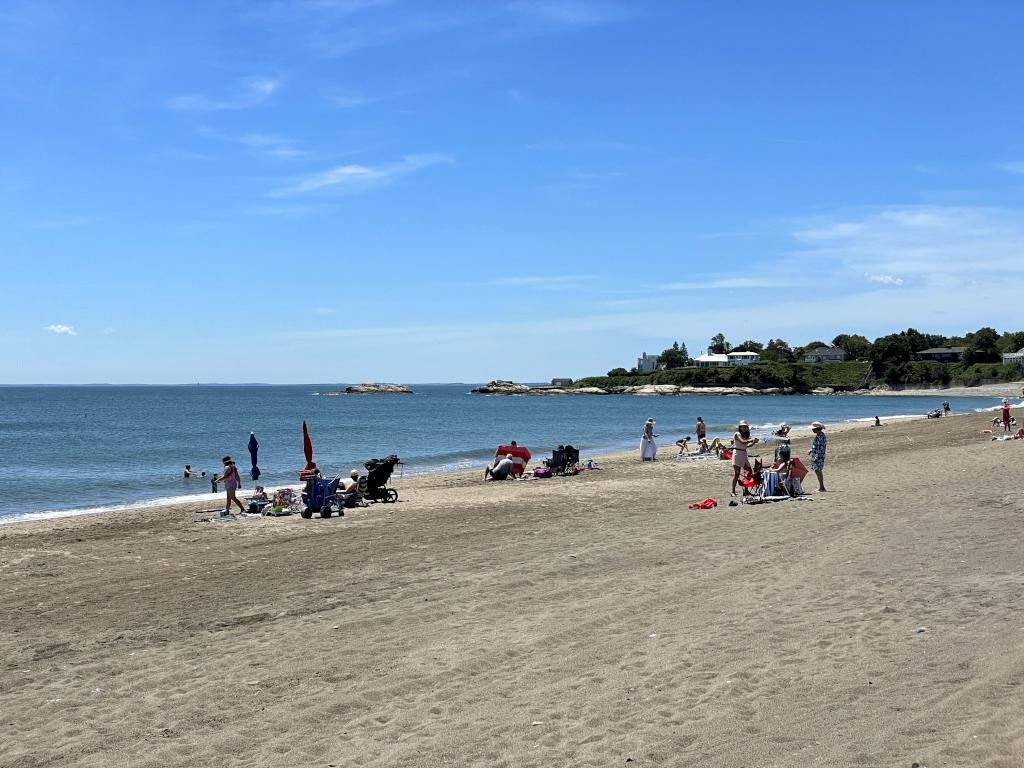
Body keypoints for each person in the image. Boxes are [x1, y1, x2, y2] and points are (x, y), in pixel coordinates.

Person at [730, 420, 758, 496]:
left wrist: (753, 442)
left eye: (745, 426)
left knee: (748, 472)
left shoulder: (745, 436)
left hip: (743, 454)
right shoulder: (737, 434)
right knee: (737, 474)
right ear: (740, 427)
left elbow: (746, 445)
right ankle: (733, 491)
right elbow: (742, 442)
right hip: (737, 454)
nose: (744, 428)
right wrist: (751, 440)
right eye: (743, 426)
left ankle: (746, 490)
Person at [809, 421, 827, 492]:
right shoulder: (819, 435)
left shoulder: (821, 436)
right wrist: (811, 450)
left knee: (818, 470)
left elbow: (821, 447)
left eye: (813, 428)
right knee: (817, 470)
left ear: (816, 429)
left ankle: (822, 487)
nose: (812, 430)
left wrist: (817, 457)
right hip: (818, 455)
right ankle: (821, 487)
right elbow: (818, 446)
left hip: (819, 456)